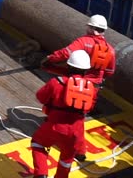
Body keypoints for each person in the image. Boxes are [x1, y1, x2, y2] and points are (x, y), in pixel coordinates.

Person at [30, 50, 98, 178]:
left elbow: (40, 97)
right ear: (86, 70)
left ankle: (41, 174)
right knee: (66, 160)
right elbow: (88, 108)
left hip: (54, 125)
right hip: (75, 131)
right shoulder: (92, 89)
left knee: (37, 143)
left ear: (68, 66)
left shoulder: (56, 82)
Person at [42, 14, 116, 88]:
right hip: (92, 87)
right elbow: (109, 71)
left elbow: (65, 53)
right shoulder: (110, 50)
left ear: (91, 28)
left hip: (75, 83)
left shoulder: (83, 42)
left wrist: (50, 59)